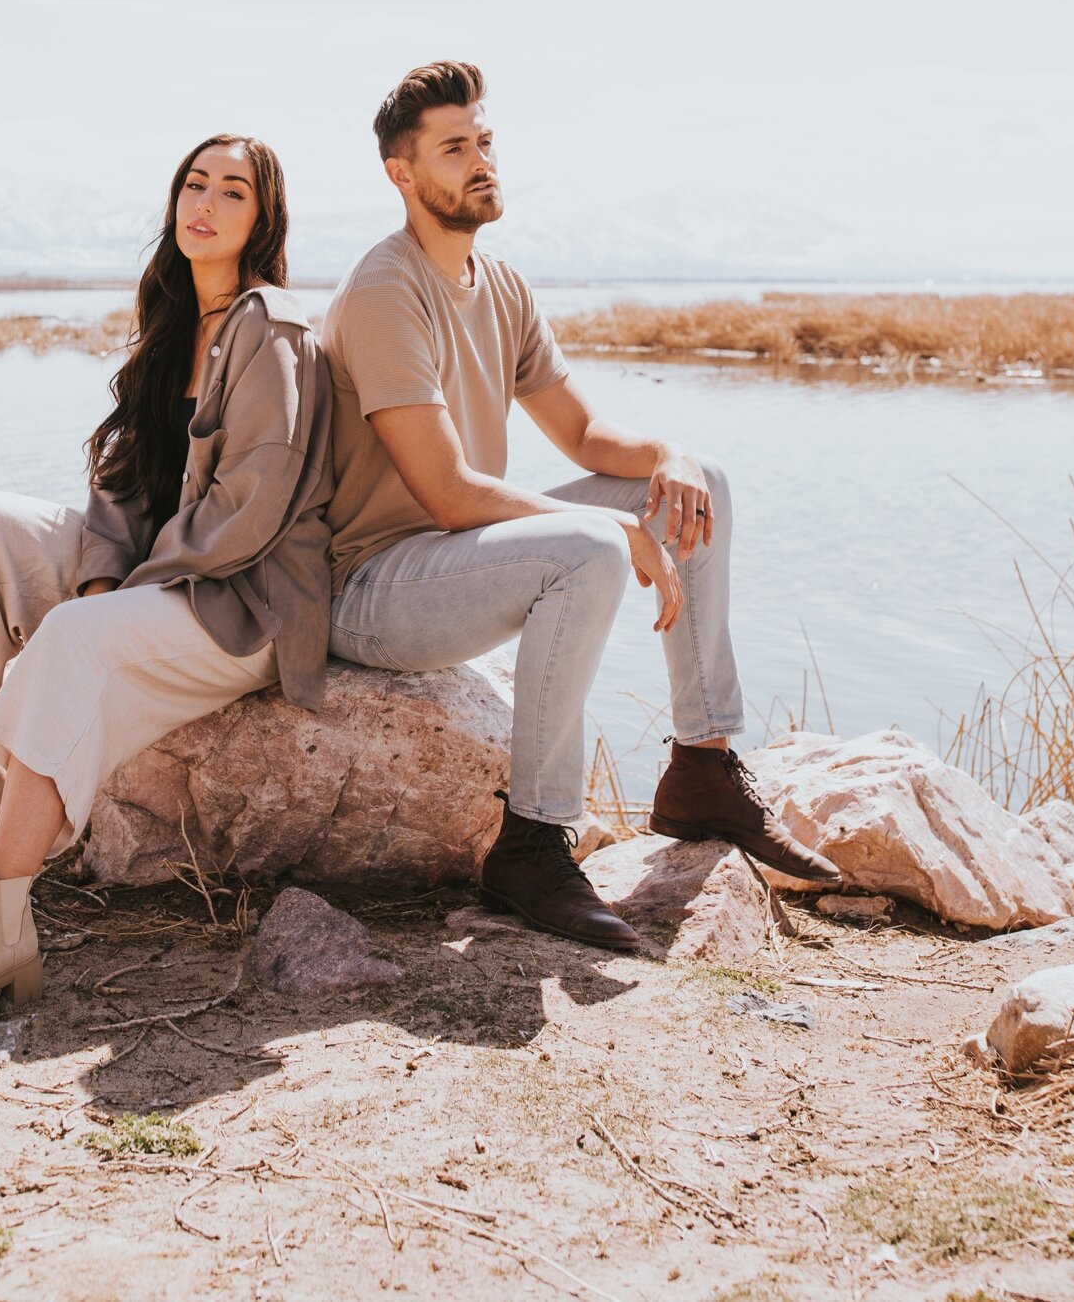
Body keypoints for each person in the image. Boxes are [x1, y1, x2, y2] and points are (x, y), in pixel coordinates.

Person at [321, 61, 840, 952]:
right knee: (591, 548)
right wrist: (608, 529)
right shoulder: (383, 290)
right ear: (401, 175)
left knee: (696, 479)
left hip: (463, 563)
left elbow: (588, 436)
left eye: (484, 140)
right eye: (455, 148)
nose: (481, 159)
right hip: (372, 590)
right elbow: (445, 493)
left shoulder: (503, 285)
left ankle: (702, 768)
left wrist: (667, 460)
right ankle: (531, 843)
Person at [0, 134, 333, 1037]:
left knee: (80, 640)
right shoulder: (172, 313)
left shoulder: (272, 329)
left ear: (263, 219)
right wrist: (100, 575)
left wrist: (113, 600)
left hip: (244, 600)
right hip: (157, 573)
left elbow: (250, 506)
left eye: (232, 192)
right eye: (195, 184)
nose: (206, 202)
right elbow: (124, 478)